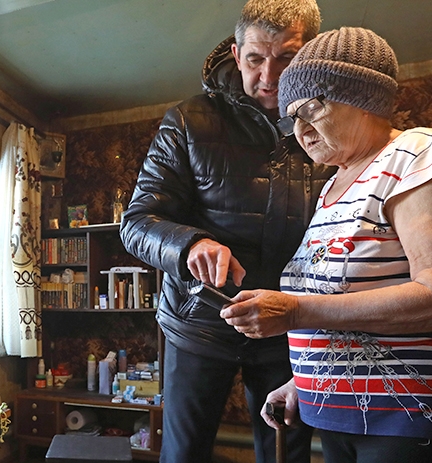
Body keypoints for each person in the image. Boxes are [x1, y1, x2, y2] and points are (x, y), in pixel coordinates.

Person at [221, 27, 432, 463]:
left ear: (362, 95)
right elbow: (348, 302)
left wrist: (295, 311)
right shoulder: (333, 187)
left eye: (311, 109)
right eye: (291, 117)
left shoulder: (418, 152)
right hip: (342, 417)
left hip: (417, 415)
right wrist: (305, 382)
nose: (300, 130)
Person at [119, 1, 334, 461]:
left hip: (290, 326)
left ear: (310, 52)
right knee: (184, 453)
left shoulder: (332, 126)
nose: (269, 76)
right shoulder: (187, 120)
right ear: (236, 55)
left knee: (285, 454)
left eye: (287, 58)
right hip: (198, 324)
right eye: (255, 59)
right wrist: (190, 244)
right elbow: (136, 222)